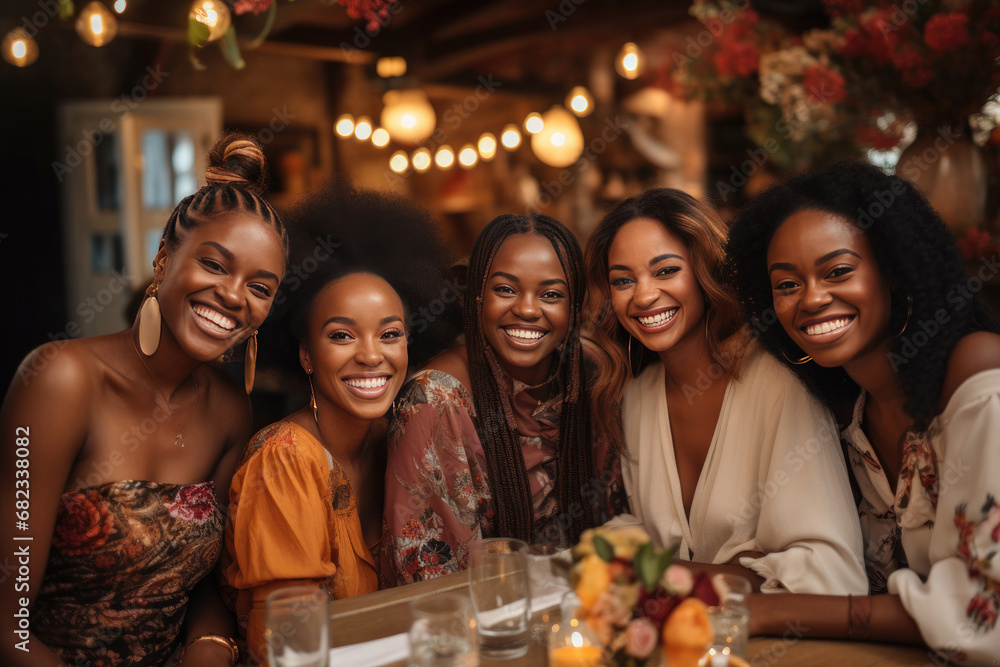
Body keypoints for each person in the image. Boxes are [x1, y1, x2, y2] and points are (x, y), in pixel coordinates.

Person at [0, 132, 288, 667]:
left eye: (260, 287)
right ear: (163, 260)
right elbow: (7, 624)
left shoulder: (230, 410)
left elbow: (206, 584)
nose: (233, 295)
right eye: (215, 265)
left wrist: (208, 648)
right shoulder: (60, 380)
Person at [727, 161, 1000, 663]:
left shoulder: (976, 370)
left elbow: (982, 617)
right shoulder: (847, 414)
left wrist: (770, 612)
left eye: (837, 272)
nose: (811, 299)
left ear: (894, 270)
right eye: (786, 285)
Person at [221, 181, 461, 663]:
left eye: (390, 334)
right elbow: (290, 648)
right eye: (342, 336)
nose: (371, 355)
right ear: (306, 355)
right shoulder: (285, 461)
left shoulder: (400, 439)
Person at [583, 188, 867, 595]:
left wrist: (670, 573)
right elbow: (641, 538)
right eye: (623, 280)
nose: (643, 296)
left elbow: (831, 573)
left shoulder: (778, 383)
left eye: (666, 270)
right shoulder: (636, 398)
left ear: (706, 270)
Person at [385, 213, 624, 585]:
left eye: (551, 294)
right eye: (506, 289)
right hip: (484, 611)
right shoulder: (435, 401)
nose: (527, 309)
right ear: (477, 297)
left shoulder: (597, 374)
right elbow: (434, 584)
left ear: (574, 307)